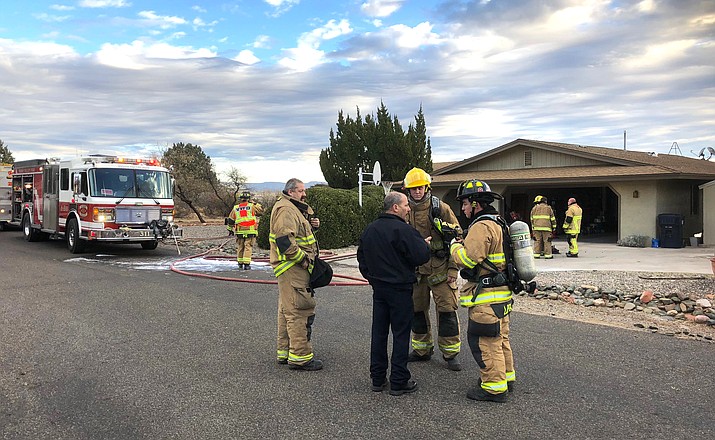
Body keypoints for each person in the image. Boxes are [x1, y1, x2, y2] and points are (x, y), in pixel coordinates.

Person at [358, 192, 432, 396]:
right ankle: (399, 381)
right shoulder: (404, 230)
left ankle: (377, 378)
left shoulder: (370, 230)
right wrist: (424, 245)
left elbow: (361, 258)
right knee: (400, 335)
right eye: (406, 205)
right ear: (395, 208)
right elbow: (421, 256)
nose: (409, 208)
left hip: (379, 290)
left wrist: (373, 278)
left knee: (379, 333)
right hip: (400, 289)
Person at [449, 179, 515, 403]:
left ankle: (494, 388)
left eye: (465, 204)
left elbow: (467, 260)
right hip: (502, 294)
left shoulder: (481, 226)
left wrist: (454, 245)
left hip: (486, 297)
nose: (463, 209)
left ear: (476, 203)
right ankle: (506, 378)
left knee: (486, 342)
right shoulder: (499, 221)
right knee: (501, 338)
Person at [402, 167, 463, 371]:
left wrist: (454, 270)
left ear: (427, 187)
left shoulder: (441, 208)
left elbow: (457, 238)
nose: (417, 191)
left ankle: (450, 353)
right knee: (417, 311)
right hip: (416, 272)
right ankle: (421, 349)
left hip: (441, 270)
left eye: (420, 187)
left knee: (447, 311)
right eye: (413, 189)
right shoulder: (404, 211)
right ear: (407, 190)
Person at [269, 178, 322, 371]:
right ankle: (300, 356)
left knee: (286, 310)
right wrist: (304, 260)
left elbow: (298, 233)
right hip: (293, 268)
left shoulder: (292, 208)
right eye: (300, 191)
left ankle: (285, 351)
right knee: (299, 310)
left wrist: (312, 225)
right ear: (290, 191)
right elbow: (284, 241)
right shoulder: (285, 210)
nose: (304, 194)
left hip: (289, 268)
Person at [227, 191, 264, 269]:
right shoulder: (252, 206)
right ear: (248, 199)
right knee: (248, 246)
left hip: (239, 231)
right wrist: (254, 203)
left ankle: (240, 263)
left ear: (240, 199)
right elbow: (261, 210)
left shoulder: (236, 208)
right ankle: (246, 264)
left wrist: (230, 229)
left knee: (240, 246)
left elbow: (231, 219)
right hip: (250, 230)